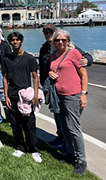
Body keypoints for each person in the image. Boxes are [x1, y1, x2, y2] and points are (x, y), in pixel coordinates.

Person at [39, 23, 93, 152]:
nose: (48, 35)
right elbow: (43, 67)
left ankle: (72, 149)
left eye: (51, 32)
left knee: (71, 123)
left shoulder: (71, 48)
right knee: (58, 116)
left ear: (56, 32)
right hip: (53, 88)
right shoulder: (44, 49)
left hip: (71, 90)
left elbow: (85, 57)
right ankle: (61, 138)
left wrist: (88, 59)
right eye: (46, 33)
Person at [49, 30, 88, 175]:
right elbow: (53, 69)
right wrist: (50, 73)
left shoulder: (74, 53)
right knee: (64, 127)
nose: (60, 42)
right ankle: (71, 154)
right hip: (58, 95)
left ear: (68, 41)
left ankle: (81, 160)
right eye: (58, 40)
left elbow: (83, 75)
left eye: (63, 40)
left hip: (73, 95)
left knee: (74, 128)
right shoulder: (53, 55)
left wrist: (83, 94)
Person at [3, 32, 42, 163]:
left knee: (29, 124)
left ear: (21, 41)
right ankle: (20, 147)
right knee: (15, 123)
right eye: (12, 40)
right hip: (13, 96)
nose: (15, 42)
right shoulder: (6, 59)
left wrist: (36, 95)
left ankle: (34, 149)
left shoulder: (29, 58)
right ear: (10, 43)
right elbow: (5, 78)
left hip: (27, 97)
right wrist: (6, 95)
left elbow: (35, 78)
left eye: (17, 40)